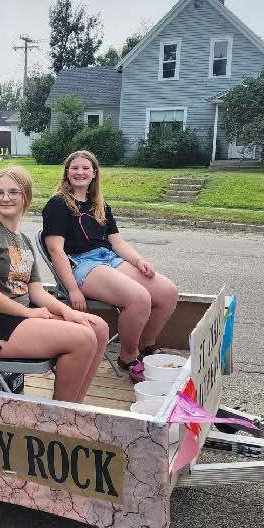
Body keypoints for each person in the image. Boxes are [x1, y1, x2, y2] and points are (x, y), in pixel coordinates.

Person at [0, 165, 109, 403]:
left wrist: (68, 312)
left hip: (22, 318)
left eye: (13, 192)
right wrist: (29, 313)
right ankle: (58, 418)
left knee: (98, 328)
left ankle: (74, 407)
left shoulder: (23, 240)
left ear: (26, 197)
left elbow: (36, 291)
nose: (5, 198)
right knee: (82, 339)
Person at [41, 150, 179, 382]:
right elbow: (56, 250)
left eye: (86, 168)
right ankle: (128, 357)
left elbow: (117, 242)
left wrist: (138, 260)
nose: (80, 172)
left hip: (108, 258)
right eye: (74, 168)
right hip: (80, 263)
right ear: (66, 172)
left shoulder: (99, 204)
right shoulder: (57, 204)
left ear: (94, 173)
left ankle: (146, 345)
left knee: (168, 292)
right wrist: (72, 289)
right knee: (139, 298)